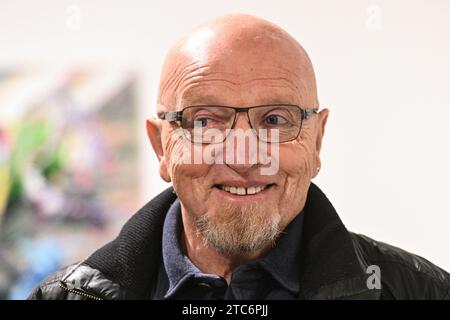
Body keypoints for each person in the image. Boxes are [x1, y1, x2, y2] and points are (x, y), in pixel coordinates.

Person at [29, 14, 449, 300]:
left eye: (274, 118)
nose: (245, 157)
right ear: (161, 147)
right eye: (206, 121)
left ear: (317, 142)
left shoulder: (420, 291)